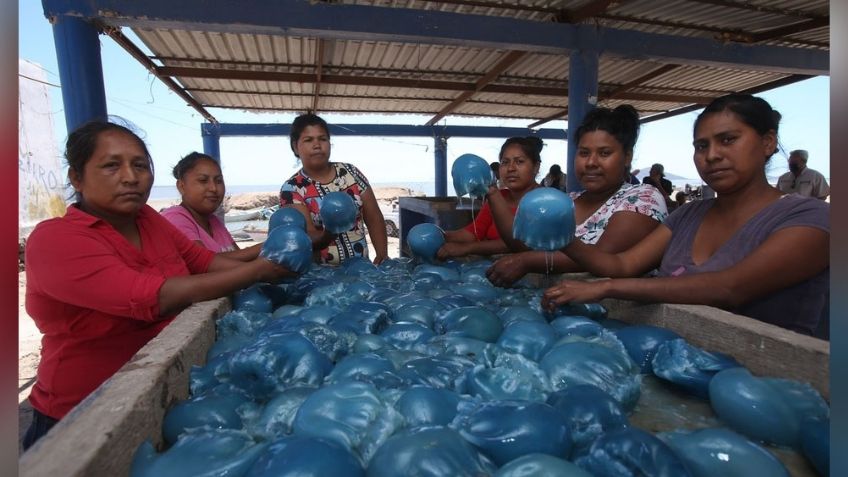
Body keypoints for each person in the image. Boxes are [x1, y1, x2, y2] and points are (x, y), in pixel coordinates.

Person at [23, 120, 297, 449]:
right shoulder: (55, 239)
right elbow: (153, 296)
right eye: (112, 165)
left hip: (163, 392)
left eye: (140, 165)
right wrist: (259, 270)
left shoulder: (148, 219)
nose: (130, 177)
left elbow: (205, 263)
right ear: (76, 177)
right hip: (81, 414)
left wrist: (276, 256)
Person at [542, 94, 829, 336]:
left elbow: (730, 287)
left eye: (728, 140)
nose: (712, 155)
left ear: (768, 143)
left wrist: (605, 288)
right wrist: (563, 237)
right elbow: (621, 264)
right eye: (701, 146)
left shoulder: (810, 218)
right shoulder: (689, 215)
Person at [486, 105, 668, 286]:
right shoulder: (569, 200)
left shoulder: (642, 198)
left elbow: (603, 257)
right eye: (584, 153)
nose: (590, 162)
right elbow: (525, 245)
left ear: (627, 157)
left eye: (604, 153)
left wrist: (526, 261)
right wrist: (492, 193)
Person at [280, 113, 388, 265]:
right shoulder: (291, 189)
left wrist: (382, 255)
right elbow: (304, 237)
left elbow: (374, 217)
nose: (317, 145)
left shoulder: (351, 173)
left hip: (361, 271)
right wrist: (329, 233)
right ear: (295, 147)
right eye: (308, 140)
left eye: (323, 139)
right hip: (320, 277)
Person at [435, 137, 542, 259]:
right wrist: (441, 235)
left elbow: (520, 244)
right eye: (505, 162)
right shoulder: (498, 197)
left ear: (536, 167)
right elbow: (474, 232)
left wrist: (467, 248)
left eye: (519, 161)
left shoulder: (545, 201)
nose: (511, 168)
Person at [161, 152, 260, 260]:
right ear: (181, 186)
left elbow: (241, 259)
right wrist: (265, 247)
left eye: (218, 181)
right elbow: (204, 262)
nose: (213, 188)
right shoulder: (175, 218)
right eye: (203, 180)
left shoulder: (214, 221)